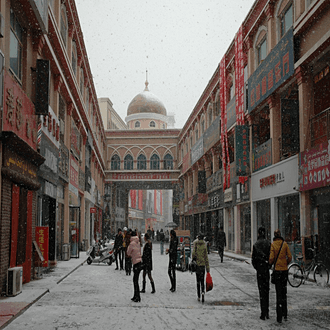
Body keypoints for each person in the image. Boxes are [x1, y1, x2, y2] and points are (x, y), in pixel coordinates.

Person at [269, 229, 292, 324]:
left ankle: (279, 317)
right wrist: (285, 263)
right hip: (284, 271)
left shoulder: (273, 245)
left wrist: (273, 263)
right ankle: (285, 314)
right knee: (284, 292)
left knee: (278, 293)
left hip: (277, 271)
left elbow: (271, 258)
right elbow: (290, 257)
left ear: (274, 235)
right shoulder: (285, 244)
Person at [252, 227, 271, 320]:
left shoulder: (255, 245)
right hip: (266, 270)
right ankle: (267, 311)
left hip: (260, 270)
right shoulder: (268, 243)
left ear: (258, 234)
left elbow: (253, 260)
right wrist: (268, 265)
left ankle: (263, 312)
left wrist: (257, 267)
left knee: (261, 291)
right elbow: (271, 257)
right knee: (267, 290)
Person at [192, 233, 210, 303]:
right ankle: (203, 292)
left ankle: (199, 296)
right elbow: (206, 257)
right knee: (202, 280)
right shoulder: (204, 246)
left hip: (197, 265)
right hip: (202, 265)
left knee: (198, 281)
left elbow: (193, 254)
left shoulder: (196, 244)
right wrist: (207, 268)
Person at [127, 231, 142, 302]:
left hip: (135, 263)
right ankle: (135, 295)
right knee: (136, 280)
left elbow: (128, 253)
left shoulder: (131, 244)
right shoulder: (138, 242)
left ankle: (137, 296)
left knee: (135, 281)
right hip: (139, 262)